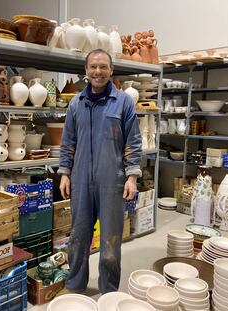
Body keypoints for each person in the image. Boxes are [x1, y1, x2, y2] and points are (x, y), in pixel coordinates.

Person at [58, 49, 142, 294]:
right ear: (86, 71)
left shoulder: (123, 102)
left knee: (110, 242)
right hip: (81, 181)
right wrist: (64, 173)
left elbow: (133, 142)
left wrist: (132, 177)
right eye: (93, 67)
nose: (98, 71)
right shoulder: (76, 103)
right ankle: (75, 286)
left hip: (111, 181)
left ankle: (109, 292)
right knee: (78, 238)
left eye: (103, 67)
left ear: (111, 70)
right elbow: (68, 142)